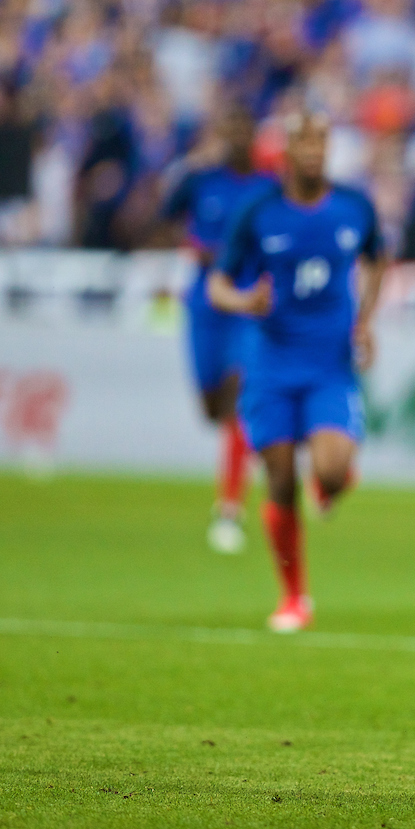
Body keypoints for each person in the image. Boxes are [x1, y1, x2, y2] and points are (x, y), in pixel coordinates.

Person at [208, 111, 383, 633]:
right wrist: (245, 302)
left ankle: (330, 482)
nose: (313, 150)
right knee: (280, 482)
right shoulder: (257, 211)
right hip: (271, 366)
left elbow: (378, 258)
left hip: (330, 364)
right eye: (303, 141)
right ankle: (294, 598)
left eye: (321, 141)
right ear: (285, 149)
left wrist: (366, 321)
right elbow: (218, 282)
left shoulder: (354, 206)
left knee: (330, 470)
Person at [162, 105, 277, 554]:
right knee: (212, 405)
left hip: (247, 303)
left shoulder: (270, 187)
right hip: (205, 303)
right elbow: (159, 217)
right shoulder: (198, 180)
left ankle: (229, 509)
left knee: (237, 401)